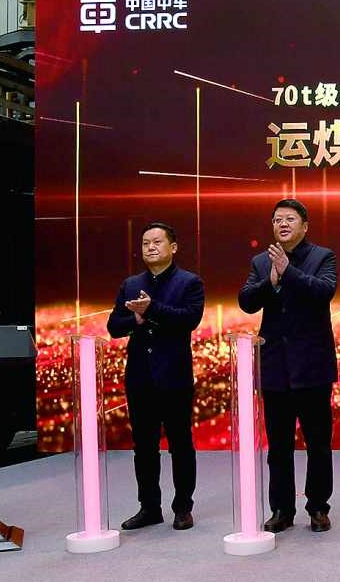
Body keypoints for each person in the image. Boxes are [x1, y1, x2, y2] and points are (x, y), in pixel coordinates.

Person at [238, 199, 338, 533]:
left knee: (318, 444)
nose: (282, 224)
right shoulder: (260, 261)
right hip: (275, 368)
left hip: (312, 366)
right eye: (277, 220)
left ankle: (318, 507)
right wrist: (270, 281)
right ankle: (281, 509)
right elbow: (246, 301)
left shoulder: (322, 257)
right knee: (278, 446)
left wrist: (288, 272)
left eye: (290, 219)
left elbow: (324, 291)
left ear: (304, 226)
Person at [105, 222, 205, 531]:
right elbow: (114, 326)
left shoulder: (189, 282)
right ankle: (149, 507)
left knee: (180, 444)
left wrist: (151, 309)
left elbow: (189, 319)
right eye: (146, 242)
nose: (150, 247)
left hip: (174, 375)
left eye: (157, 242)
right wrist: (135, 318)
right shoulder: (131, 283)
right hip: (139, 376)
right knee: (144, 447)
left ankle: (183, 507)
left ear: (173, 247)